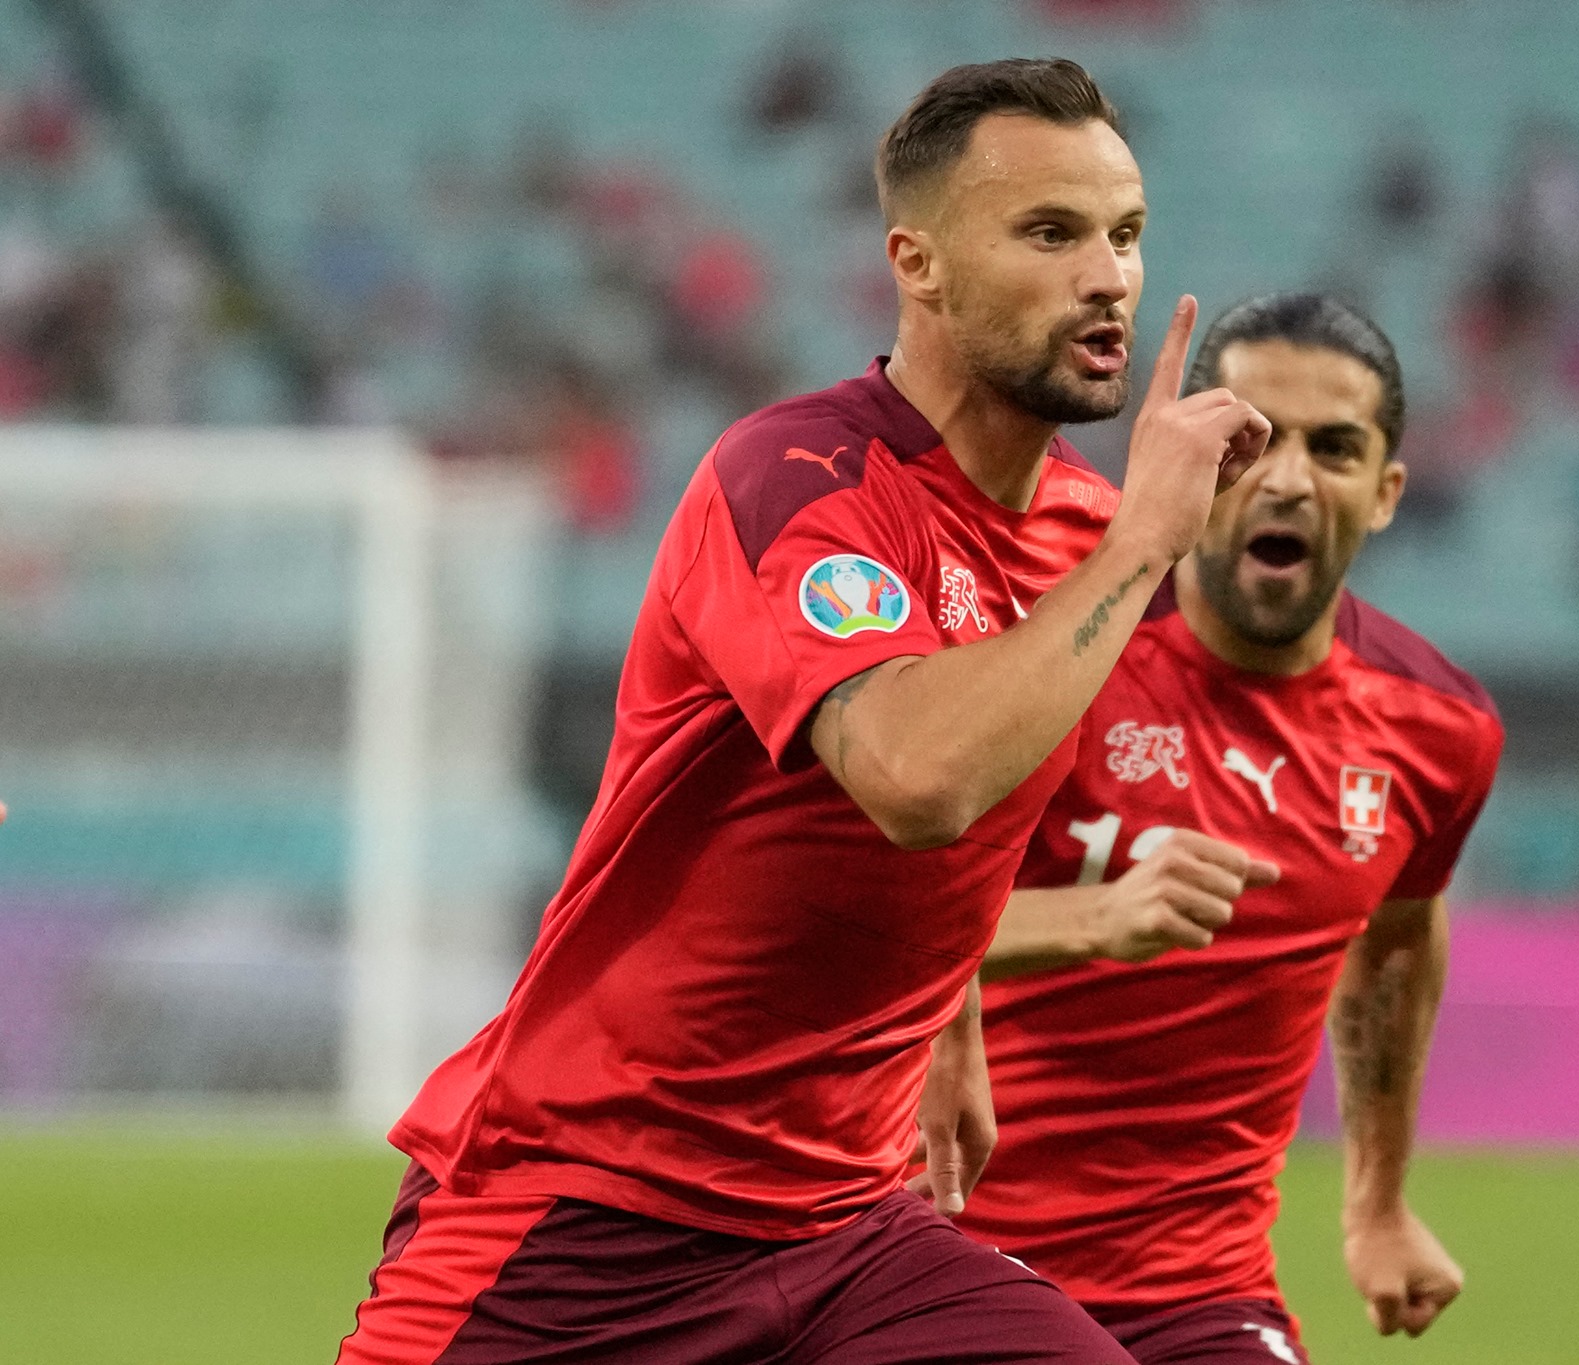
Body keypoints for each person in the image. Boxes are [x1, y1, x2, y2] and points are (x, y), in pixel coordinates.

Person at [337, 58, 1269, 1365]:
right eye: (1050, 233)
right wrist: (1146, 544)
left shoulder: (1078, 534)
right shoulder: (797, 482)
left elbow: (958, 815)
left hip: (843, 1228)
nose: (1107, 276)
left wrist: (953, 1009)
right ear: (917, 263)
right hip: (593, 1213)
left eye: (1124, 234)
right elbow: (914, 777)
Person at [958, 295, 1504, 1362]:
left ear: (1385, 493)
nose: (1288, 478)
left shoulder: (1438, 733)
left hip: (1199, 1295)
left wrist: (1376, 1204)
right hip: (948, 1255)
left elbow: (1396, 941)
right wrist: (1090, 918)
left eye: (1334, 448)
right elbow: (864, 928)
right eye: (1252, 439)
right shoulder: (1049, 653)